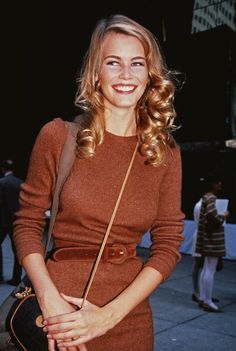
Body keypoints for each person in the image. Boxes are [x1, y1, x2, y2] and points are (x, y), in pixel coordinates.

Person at [13, 14, 184, 351]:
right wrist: (49, 301)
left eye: (137, 63)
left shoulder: (165, 153)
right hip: (59, 312)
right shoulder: (59, 137)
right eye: (113, 62)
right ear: (95, 72)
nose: (125, 74)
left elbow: (168, 244)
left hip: (129, 317)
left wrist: (109, 316)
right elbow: (27, 224)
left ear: (150, 75)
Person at [195, 174, 229, 312]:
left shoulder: (205, 197)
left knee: (205, 270)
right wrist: (223, 216)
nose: (220, 184)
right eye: (217, 182)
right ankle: (208, 301)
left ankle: (203, 298)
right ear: (212, 185)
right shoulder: (211, 197)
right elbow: (211, 216)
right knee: (210, 270)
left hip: (206, 238)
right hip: (213, 240)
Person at [0, 159, 23, 285]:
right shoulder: (20, 183)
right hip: (15, 220)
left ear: (3, 169)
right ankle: (16, 278)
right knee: (16, 251)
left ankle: (0, 275)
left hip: (3, 222)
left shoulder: (2, 182)